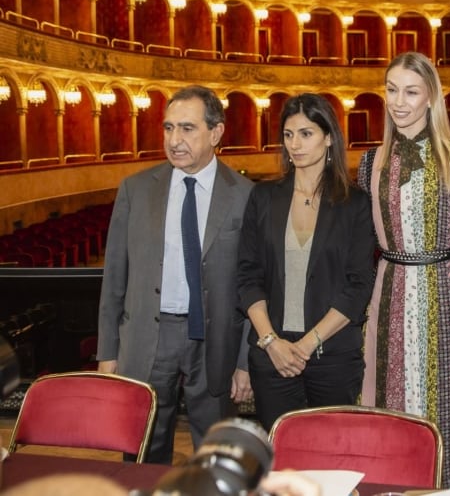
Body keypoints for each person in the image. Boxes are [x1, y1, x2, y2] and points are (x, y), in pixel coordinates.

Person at [358, 52, 450, 488]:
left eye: (411, 91)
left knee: (444, 405)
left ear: (431, 97)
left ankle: (445, 486)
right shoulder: (370, 162)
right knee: (388, 396)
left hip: (444, 294)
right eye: (392, 90)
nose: (399, 102)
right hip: (389, 291)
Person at [97, 85, 253, 464]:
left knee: (217, 451)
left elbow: (253, 285)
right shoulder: (136, 189)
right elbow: (114, 276)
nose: (174, 140)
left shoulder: (246, 195)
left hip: (216, 341)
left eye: (187, 128)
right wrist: (108, 351)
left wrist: (246, 361)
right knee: (143, 449)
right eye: (168, 128)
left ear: (216, 133)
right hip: (148, 337)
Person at [238, 93, 375, 432]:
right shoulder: (263, 196)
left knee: (331, 460)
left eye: (306, 133)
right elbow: (247, 275)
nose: (294, 145)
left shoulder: (355, 203)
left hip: (333, 357)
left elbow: (358, 286)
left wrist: (305, 346)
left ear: (329, 138)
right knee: (280, 464)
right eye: (288, 135)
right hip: (273, 356)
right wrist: (271, 342)